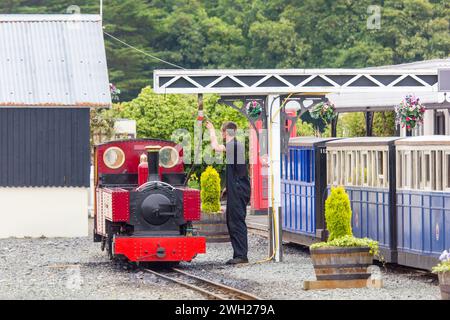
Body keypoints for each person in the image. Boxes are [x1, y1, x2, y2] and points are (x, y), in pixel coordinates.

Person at [205, 121, 251, 265]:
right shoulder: (236, 146)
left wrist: (211, 130)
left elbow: (215, 147)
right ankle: (239, 254)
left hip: (238, 190)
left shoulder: (234, 146)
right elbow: (237, 171)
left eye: (221, 132)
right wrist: (227, 187)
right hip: (237, 189)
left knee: (236, 222)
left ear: (225, 132)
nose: (221, 134)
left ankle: (241, 256)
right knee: (233, 221)